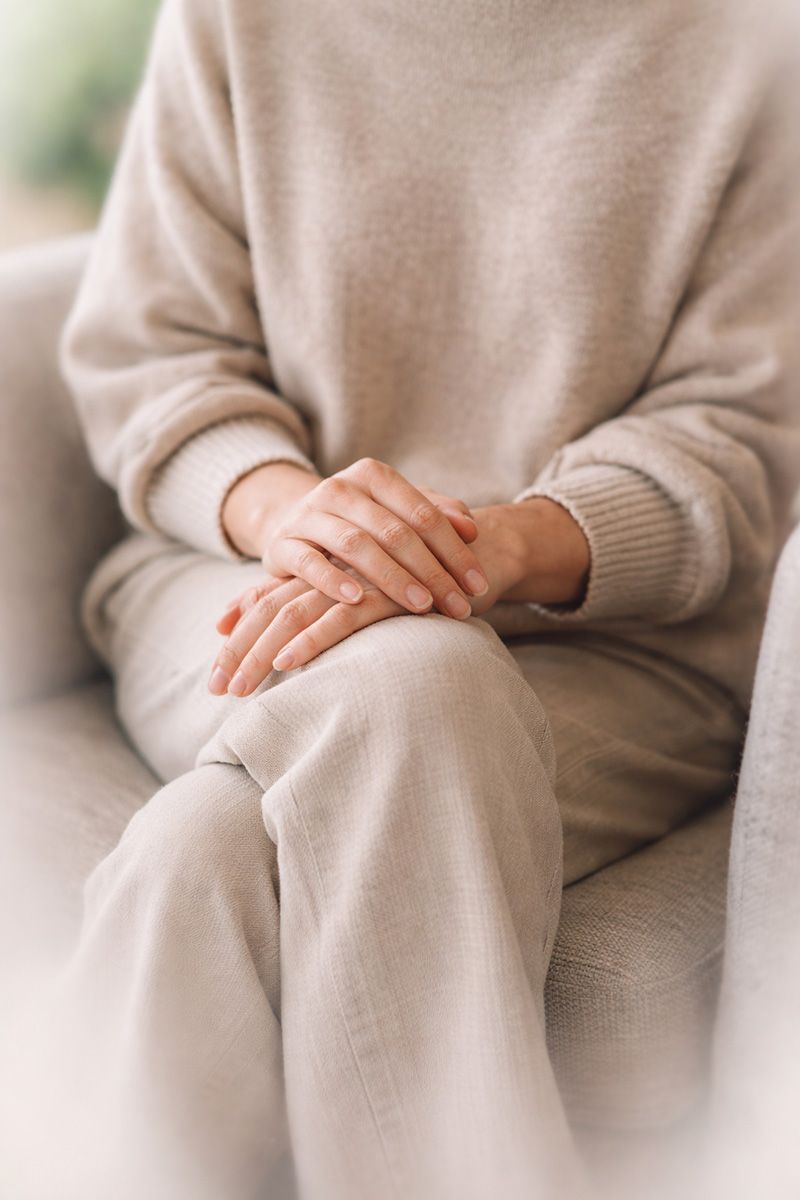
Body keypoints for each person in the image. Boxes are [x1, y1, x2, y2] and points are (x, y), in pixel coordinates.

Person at [29, 0, 800, 1197]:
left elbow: (740, 437)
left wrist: (495, 548)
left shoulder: (745, 42)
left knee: (204, 855)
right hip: (236, 580)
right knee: (420, 671)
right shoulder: (238, 16)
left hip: (614, 641)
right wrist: (299, 516)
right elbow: (153, 359)